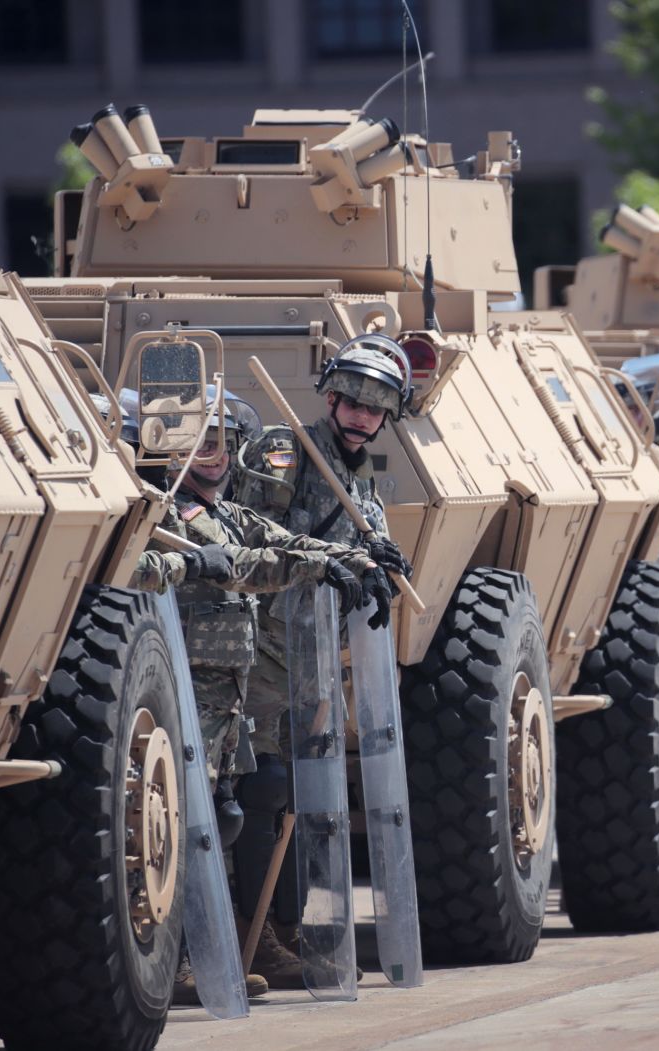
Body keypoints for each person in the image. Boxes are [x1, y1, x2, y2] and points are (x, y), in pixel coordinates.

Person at [131, 403, 388, 1000]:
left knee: (223, 816)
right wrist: (187, 561)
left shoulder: (227, 513)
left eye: (222, 442)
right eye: (197, 443)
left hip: (229, 689)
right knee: (176, 821)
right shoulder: (158, 507)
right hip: (179, 686)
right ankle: (177, 957)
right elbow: (129, 568)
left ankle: (218, 943)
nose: (210, 455)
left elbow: (285, 543)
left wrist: (354, 560)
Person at [228, 334, 415, 987]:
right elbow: (244, 529)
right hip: (264, 648)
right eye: (355, 398)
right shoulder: (286, 451)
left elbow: (367, 535)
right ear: (331, 393)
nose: (364, 413)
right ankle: (249, 935)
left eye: (379, 403)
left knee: (307, 800)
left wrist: (382, 560)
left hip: (314, 659)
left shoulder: (358, 472)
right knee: (264, 786)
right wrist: (328, 557)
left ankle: (288, 933)